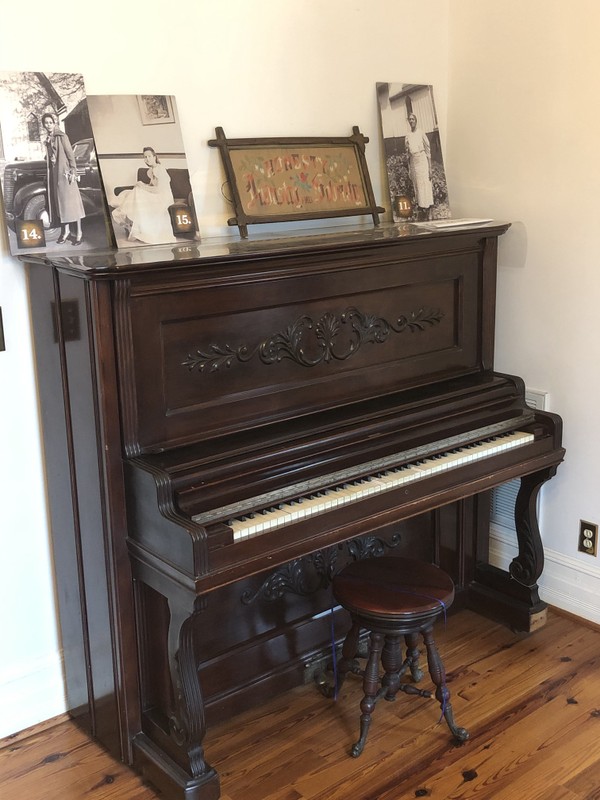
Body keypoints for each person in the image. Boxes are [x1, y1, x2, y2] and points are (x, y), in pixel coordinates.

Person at [111, 147, 176, 244]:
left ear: (154, 156)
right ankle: (128, 219)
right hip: (156, 193)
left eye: (149, 156)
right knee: (134, 191)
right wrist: (142, 184)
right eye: (145, 157)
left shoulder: (160, 169)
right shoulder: (151, 170)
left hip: (163, 197)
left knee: (138, 192)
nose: (147, 159)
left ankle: (127, 215)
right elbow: (152, 185)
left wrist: (142, 187)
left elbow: (158, 189)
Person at [42, 113, 86, 245]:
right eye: (46, 123)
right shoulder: (49, 139)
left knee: (74, 205)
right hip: (56, 176)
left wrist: (73, 170)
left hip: (66, 174)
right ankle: (65, 232)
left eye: (50, 122)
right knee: (62, 205)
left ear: (54, 123)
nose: (48, 125)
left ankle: (79, 233)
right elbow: (50, 158)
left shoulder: (62, 136)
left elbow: (70, 154)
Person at [405, 113, 434, 220]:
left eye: (413, 119)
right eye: (410, 119)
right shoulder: (408, 135)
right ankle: (422, 209)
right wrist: (409, 169)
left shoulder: (421, 133)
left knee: (425, 183)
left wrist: (430, 168)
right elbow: (407, 153)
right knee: (417, 185)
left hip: (422, 160)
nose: (411, 121)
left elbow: (428, 150)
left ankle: (430, 208)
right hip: (413, 162)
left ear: (416, 121)